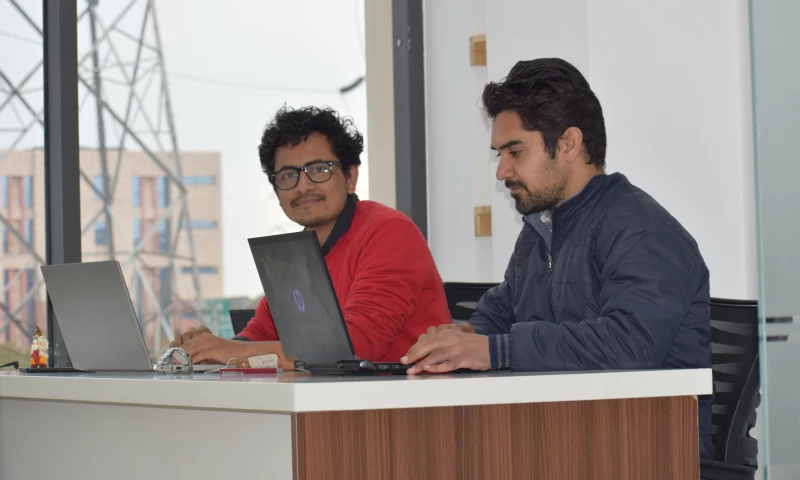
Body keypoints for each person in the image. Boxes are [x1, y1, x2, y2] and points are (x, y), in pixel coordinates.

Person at [401, 58, 713, 459]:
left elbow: (630, 345)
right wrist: (459, 339)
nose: (502, 171)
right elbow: (498, 317)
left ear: (568, 144)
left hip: (648, 451)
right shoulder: (541, 230)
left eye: (515, 151)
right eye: (499, 154)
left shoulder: (645, 230)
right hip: (564, 441)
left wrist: (494, 351)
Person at [172, 106, 450, 368]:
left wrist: (231, 352)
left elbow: (353, 350)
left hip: (408, 399)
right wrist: (207, 352)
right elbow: (258, 336)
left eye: (319, 170)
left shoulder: (389, 232)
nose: (303, 186)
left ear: (350, 177)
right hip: (331, 399)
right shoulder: (294, 255)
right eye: (288, 175)